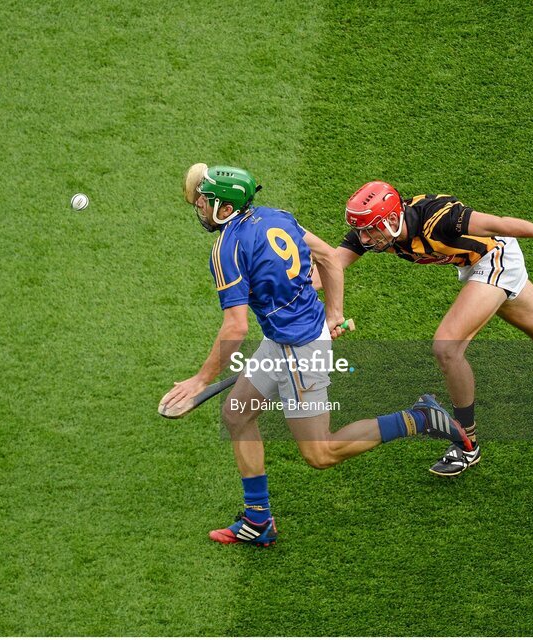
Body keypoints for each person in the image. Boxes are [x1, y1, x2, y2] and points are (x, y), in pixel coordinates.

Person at [161, 165, 471, 547]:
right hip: (289, 337)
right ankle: (259, 520)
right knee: (236, 413)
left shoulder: (226, 249)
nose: (201, 208)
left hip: (298, 351)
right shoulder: (276, 216)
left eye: (207, 202)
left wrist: (200, 380)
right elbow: (326, 256)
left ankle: (419, 418)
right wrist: (333, 314)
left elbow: (235, 328)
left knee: (321, 453)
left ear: (225, 209)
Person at [314, 181, 533, 477]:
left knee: (446, 347)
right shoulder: (379, 230)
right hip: (476, 266)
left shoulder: (439, 217)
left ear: (391, 219)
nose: (363, 237)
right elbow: (331, 266)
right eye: (359, 230)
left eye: (368, 229)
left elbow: (498, 222)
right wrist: (289, 287)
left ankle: (466, 443)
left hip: (495, 259)